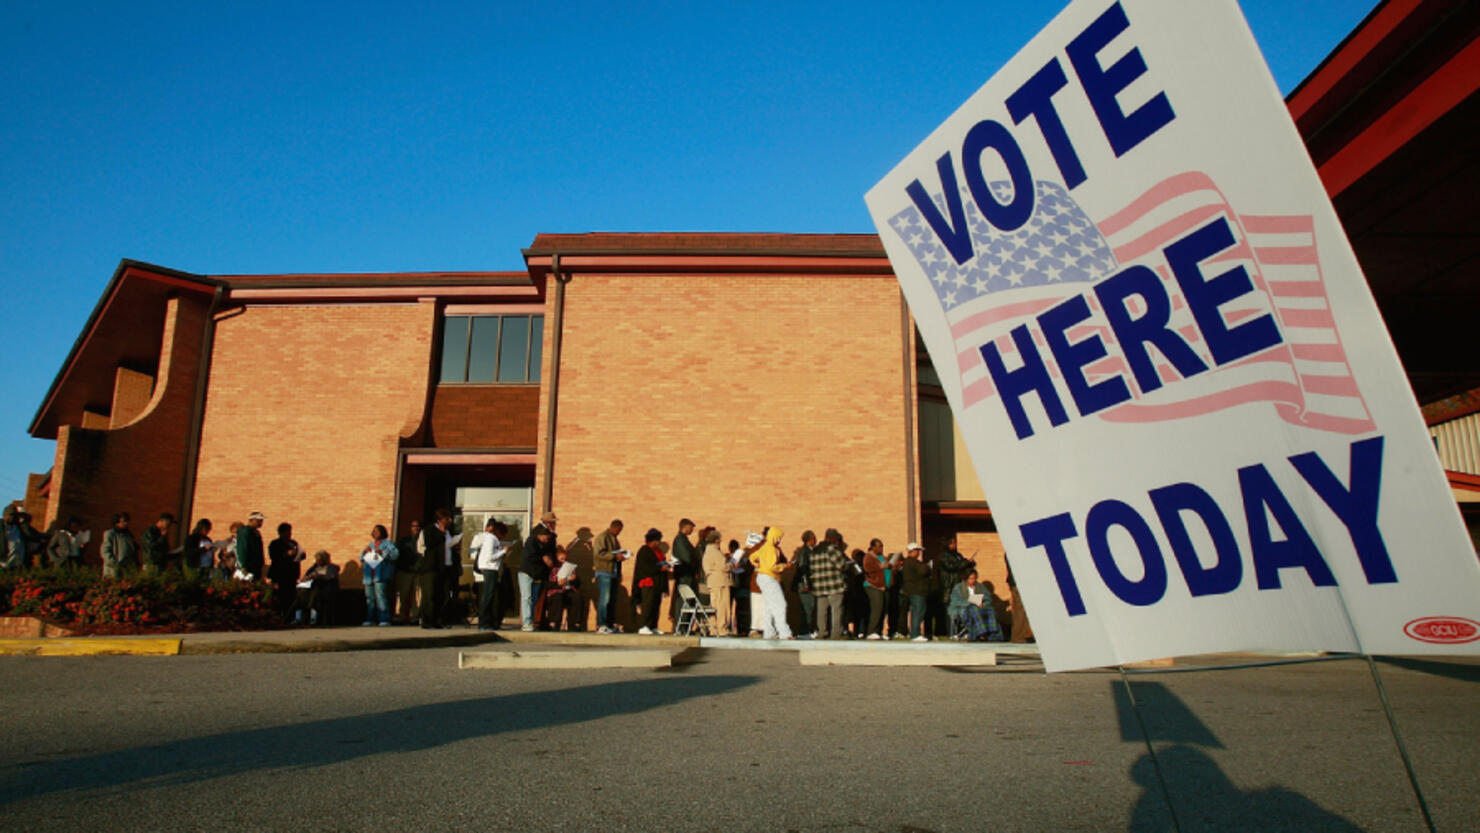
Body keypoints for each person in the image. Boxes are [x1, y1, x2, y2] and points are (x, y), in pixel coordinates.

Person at [749, 527, 793, 640]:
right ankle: (784, 632)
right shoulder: (772, 549)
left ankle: (769, 632)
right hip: (769, 577)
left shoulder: (764, 547)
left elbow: (752, 557)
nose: (779, 540)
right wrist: (784, 566)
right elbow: (771, 566)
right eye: (779, 537)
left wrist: (757, 565)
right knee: (780, 605)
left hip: (761, 577)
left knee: (768, 606)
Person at [419, 509, 459, 629]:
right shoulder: (429, 530)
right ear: (440, 520)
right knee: (430, 595)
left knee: (444, 595)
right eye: (447, 519)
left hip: (446, 567)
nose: (449, 521)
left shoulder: (448, 532)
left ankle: (438, 620)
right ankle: (427, 621)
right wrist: (441, 534)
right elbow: (428, 544)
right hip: (432, 568)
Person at [811, 529, 849, 639]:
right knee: (836, 610)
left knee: (821, 611)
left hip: (819, 585)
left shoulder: (815, 550)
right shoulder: (832, 549)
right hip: (834, 585)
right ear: (833, 539)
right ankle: (836, 633)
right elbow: (841, 565)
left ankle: (821, 632)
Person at [520, 515, 556, 632]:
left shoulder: (546, 544)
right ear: (540, 536)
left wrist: (549, 560)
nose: (547, 540)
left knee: (534, 599)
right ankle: (527, 622)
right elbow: (529, 557)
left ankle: (532, 621)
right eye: (546, 538)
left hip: (538, 574)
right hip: (527, 573)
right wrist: (543, 558)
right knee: (527, 598)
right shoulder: (531, 541)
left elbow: (550, 555)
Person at [470, 519, 508, 630]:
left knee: (489, 596)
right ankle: (483, 622)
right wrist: (503, 551)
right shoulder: (491, 539)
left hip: (491, 569)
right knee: (487, 597)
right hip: (489, 569)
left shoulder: (492, 539)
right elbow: (489, 557)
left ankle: (486, 622)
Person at [935, 535, 976, 636]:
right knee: (950, 611)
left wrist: (970, 563)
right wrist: (965, 562)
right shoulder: (943, 556)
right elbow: (951, 567)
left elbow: (963, 565)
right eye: (953, 543)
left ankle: (960, 631)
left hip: (959, 586)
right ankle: (950, 632)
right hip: (949, 586)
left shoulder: (957, 555)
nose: (955, 544)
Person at [360, 524, 399, 627]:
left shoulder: (388, 543)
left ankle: (384, 619)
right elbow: (361, 558)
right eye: (374, 531)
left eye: (378, 531)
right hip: (369, 575)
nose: (375, 533)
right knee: (370, 598)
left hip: (380, 575)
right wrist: (364, 552)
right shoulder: (371, 544)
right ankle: (370, 619)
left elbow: (395, 555)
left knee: (381, 596)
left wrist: (382, 552)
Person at [948, 570, 1004, 641]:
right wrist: (970, 602)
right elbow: (955, 601)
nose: (973, 580)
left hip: (979, 607)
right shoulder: (958, 588)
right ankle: (981, 633)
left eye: (974, 578)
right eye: (971, 579)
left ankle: (993, 633)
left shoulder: (980, 587)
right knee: (975, 610)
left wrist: (984, 604)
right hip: (964, 608)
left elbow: (988, 598)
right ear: (966, 579)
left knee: (991, 610)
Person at [631, 528, 669, 634]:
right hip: (647, 582)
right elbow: (644, 567)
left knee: (656, 605)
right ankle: (643, 625)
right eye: (657, 541)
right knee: (648, 605)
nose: (658, 543)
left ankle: (653, 626)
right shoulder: (644, 550)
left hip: (657, 583)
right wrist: (659, 568)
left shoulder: (658, 552)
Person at [592, 519, 626, 634]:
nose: (619, 532)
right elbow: (599, 554)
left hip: (613, 572)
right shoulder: (603, 537)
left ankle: (610, 624)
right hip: (604, 571)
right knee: (604, 599)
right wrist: (615, 556)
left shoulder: (614, 539)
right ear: (613, 527)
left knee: (612, 600)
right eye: (618, 530)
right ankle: (601, 624)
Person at [267, 522, 304, 619]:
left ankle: (290, 617)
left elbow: (301, 554)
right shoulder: (275, 543)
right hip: (280, 574)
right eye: (287, 532)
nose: (289, 534)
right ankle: (278, 616)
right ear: (280, 533)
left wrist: (299, 554)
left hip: (292, 574)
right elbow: (273, 556)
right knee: (279, 597)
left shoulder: (293, 543)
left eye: (290, 532)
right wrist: (286, 554)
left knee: (291, 596)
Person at [699, 528, 731, 636]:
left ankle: (713, 628)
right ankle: (722, 629)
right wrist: (732, 565)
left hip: (712, 582)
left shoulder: (707, 552)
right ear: (717, 541)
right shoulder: (715, 552)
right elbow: (723, 566)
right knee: (723, 606)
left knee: (714, 606)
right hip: (720, 582)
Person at [294, 550, 340, 626]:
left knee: (314, 595)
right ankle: (298, 617)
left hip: (326, 587)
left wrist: (318, 576)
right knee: (300, 593)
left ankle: (313, 618)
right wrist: (307, 578)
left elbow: (330, 577)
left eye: (320, 560)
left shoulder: (333, 567)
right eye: (317, 560)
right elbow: (306, 576)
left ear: (325, 559)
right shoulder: (314, 567)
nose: (318, 562)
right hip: (313, 588)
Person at [667, 518, 698, 630]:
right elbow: (686, 557)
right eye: (691, 527)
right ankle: (680, 627)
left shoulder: (684, 539)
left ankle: (684, 626)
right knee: (683, 601)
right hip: (684, 575)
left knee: (687, 601)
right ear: (685, 527)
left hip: (687, 575)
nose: (692, 529)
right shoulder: (680, 540)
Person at [395, 519, 425, 625]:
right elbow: (398, 556)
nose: (416, 528)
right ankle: (402, 616)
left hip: (419, 571)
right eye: (413, 526)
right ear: (410, 528)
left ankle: (415, 617)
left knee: (417, 595)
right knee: (404, 594)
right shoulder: (404, 541)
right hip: (405, 571)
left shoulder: (424, 541)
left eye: (418, 526)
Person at [544, 545, 581, 630]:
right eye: (561, 559)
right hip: (555, 590)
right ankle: (554, 622)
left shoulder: (569, 568)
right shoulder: (552, 568)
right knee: (558, 597)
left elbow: (578, 584)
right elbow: (547, 584)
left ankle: (574, 623)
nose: (563, 562)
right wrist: (558, 584)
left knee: (577, 598)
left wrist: (573, 580)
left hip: (567, 590)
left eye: (565, 559)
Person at [901, 543, 931, 642]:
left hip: (918, 590)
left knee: (919, 612)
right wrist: (927, 566)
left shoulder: (913, 562)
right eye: (917, 550)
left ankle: (915, 633)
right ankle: (915, 634)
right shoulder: (911, 562)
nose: (918, 553)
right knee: (917, 612)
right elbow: (922, 571)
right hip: (916, 591)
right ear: (912, 551)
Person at [791, 530, 817, 638]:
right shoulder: (805, 552)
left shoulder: (805, 551)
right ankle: (806, 631)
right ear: (810, 540)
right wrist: (807, 583)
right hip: (805, 584)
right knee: (808, 608)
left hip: (806, 583)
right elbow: (803, 568)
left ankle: (806, 630)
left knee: (809, 607)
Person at [862, 539, 888, 640]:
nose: (881, 548)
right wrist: (881, 566)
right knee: (876, 608)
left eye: (882, 546)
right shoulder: (868, 557)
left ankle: (879, 631)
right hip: (873, 585)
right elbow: (868, 569)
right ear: (873, 547)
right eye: (879, 546)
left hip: (883, 586)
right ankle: (871, 631)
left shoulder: (881, 557)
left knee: (882, 609)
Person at [100, 512, 139, 578]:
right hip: (114, 569)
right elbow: (105, 551)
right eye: (123, 521)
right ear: (117, 522)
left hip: (126, 568)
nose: (126, 523)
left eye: (126, 521)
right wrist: (114, 563)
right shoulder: (110, 534)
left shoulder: (128, 535)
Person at [1007, 559, 1035, 643]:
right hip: (1020, 582)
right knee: (1020, 611)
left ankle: (1019, 636)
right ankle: (1018, 637)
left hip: (1016, 583)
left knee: (1019, 611)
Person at [727, 539, 750, 635]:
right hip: (742, 586)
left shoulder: (728, 560)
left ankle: (728, 628)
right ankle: (742, 629)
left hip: (731, 586)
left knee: (728, 609)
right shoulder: (744, 560)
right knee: (741, 610)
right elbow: (746, 572)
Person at [235, 511, 266, 581]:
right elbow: (242, 549)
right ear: (252, 520)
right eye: (259, 520)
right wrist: (243, 566)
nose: (261, 522)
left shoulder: (256, 533)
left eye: (261, 521)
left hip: (256, 567)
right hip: (248, 567)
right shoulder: (245, 531)